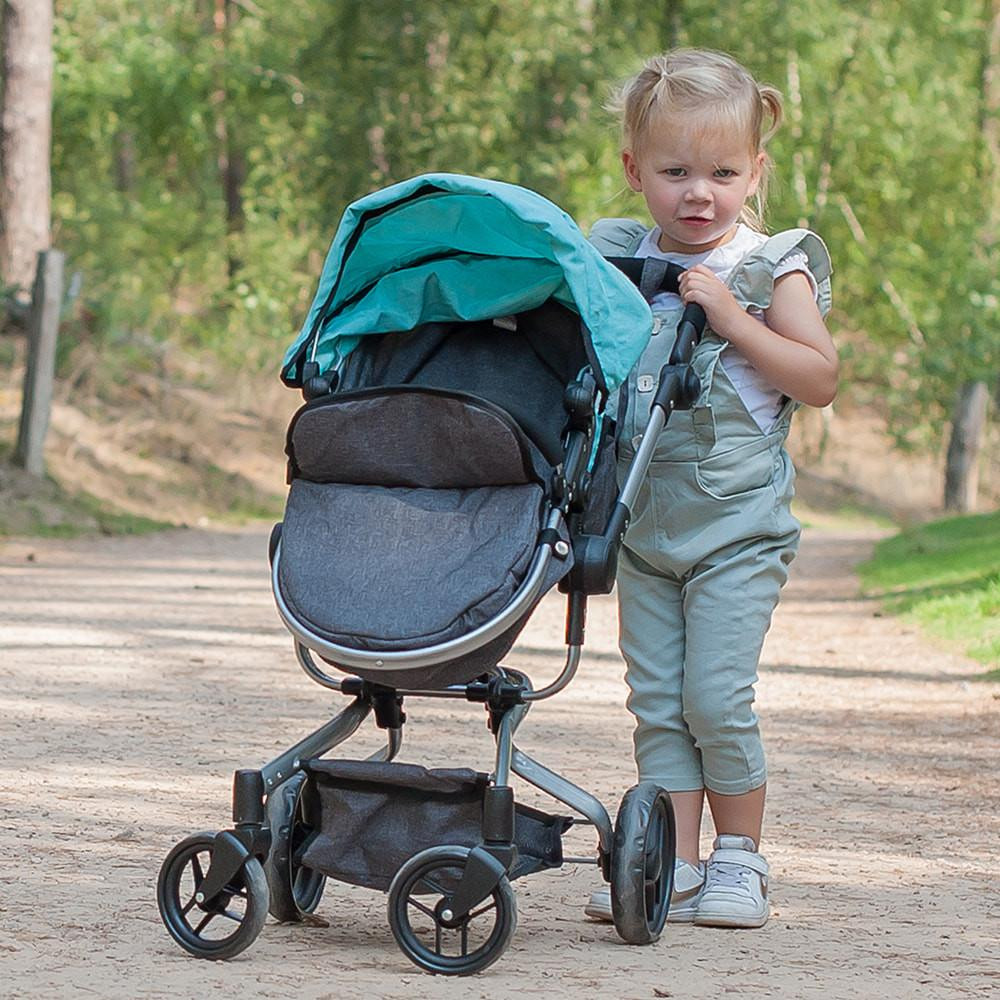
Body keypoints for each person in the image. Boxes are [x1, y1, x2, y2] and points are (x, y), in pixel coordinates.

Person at [584, 48, 837, 929]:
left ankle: (740, 858)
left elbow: (819, 377)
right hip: (643, 528)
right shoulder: (616, 261)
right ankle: (675, 863)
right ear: (634, 170)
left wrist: (733, 319)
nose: (700, 193)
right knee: (657, 703)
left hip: (738, 530)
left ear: (754, 172)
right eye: (676, 172)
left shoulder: (770, 267)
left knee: (715, 700)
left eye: (724, 174)